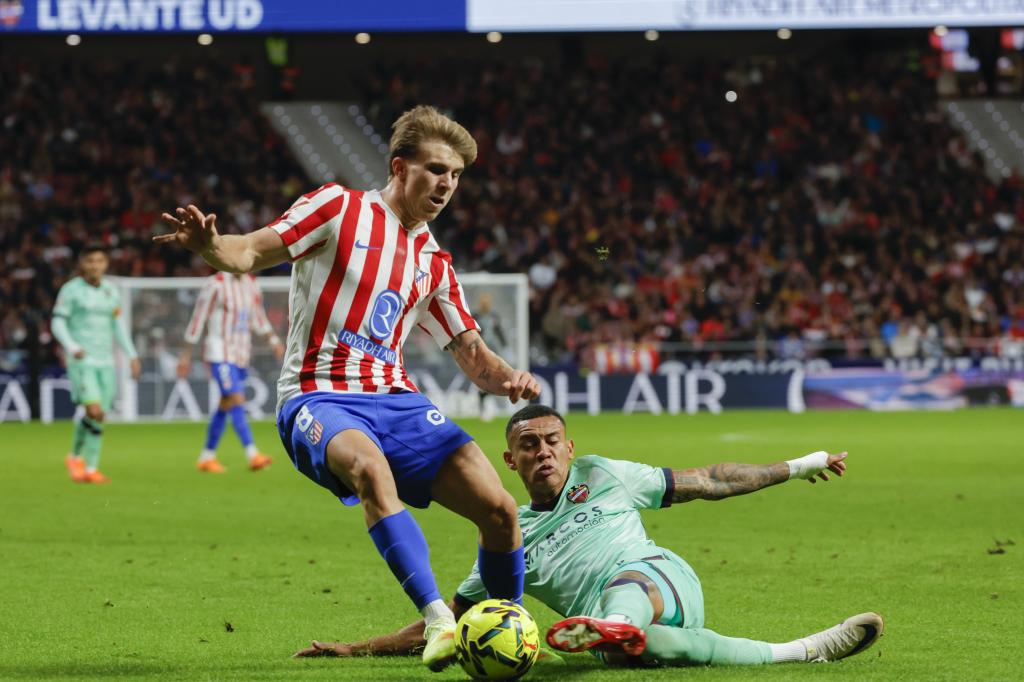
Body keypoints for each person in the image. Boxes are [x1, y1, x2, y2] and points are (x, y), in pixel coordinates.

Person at [155, 105, 541, 671]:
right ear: (399, 165)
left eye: (456, 176)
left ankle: (506, 628)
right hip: (318, 395)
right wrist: (210, 247)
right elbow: (250, 252)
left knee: (502, 511)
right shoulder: (339, 208)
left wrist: (508, 377)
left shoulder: (434, 262)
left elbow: (474, 356)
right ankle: (438, 620)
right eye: (436, 170)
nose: (446, 185)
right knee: (369, 468)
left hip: (397, 400)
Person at [295, 405, 883, 668]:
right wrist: (354, 649)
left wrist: (802, 463)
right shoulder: (507, 537)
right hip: (621, 639)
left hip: (660, 580)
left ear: (569, 448)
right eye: (529, 445)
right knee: (647, 649)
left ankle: (616, 622)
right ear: (510, 461)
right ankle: (800, 651)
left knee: (624, 598)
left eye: (553, 440)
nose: (543, 450)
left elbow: (710, 480)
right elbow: (444, 621)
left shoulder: (603, 474)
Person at [52, 243, 142, 484]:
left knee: (97, 415)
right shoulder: (71, 290)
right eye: (90, 261)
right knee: (95, 411)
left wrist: (132, 355)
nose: (95, 265)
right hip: (82, 360)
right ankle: (91, 469)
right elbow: (57, 323)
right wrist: (72, 346)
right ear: (82, 264)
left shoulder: (111, 291)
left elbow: (118, 327)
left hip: (106, 361)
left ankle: (73, 458)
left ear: (106, 264)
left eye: (99, 261)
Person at [178, 272, 285, 473]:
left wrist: (274, 341)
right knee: (236, 398)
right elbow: (198, 318)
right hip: (219, 353)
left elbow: (258, 319)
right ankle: (253, 454)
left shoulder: (252, 283)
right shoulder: (216, 284)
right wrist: (185, 355)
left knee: (226, 403)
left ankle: (207, 456)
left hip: (241, 354)